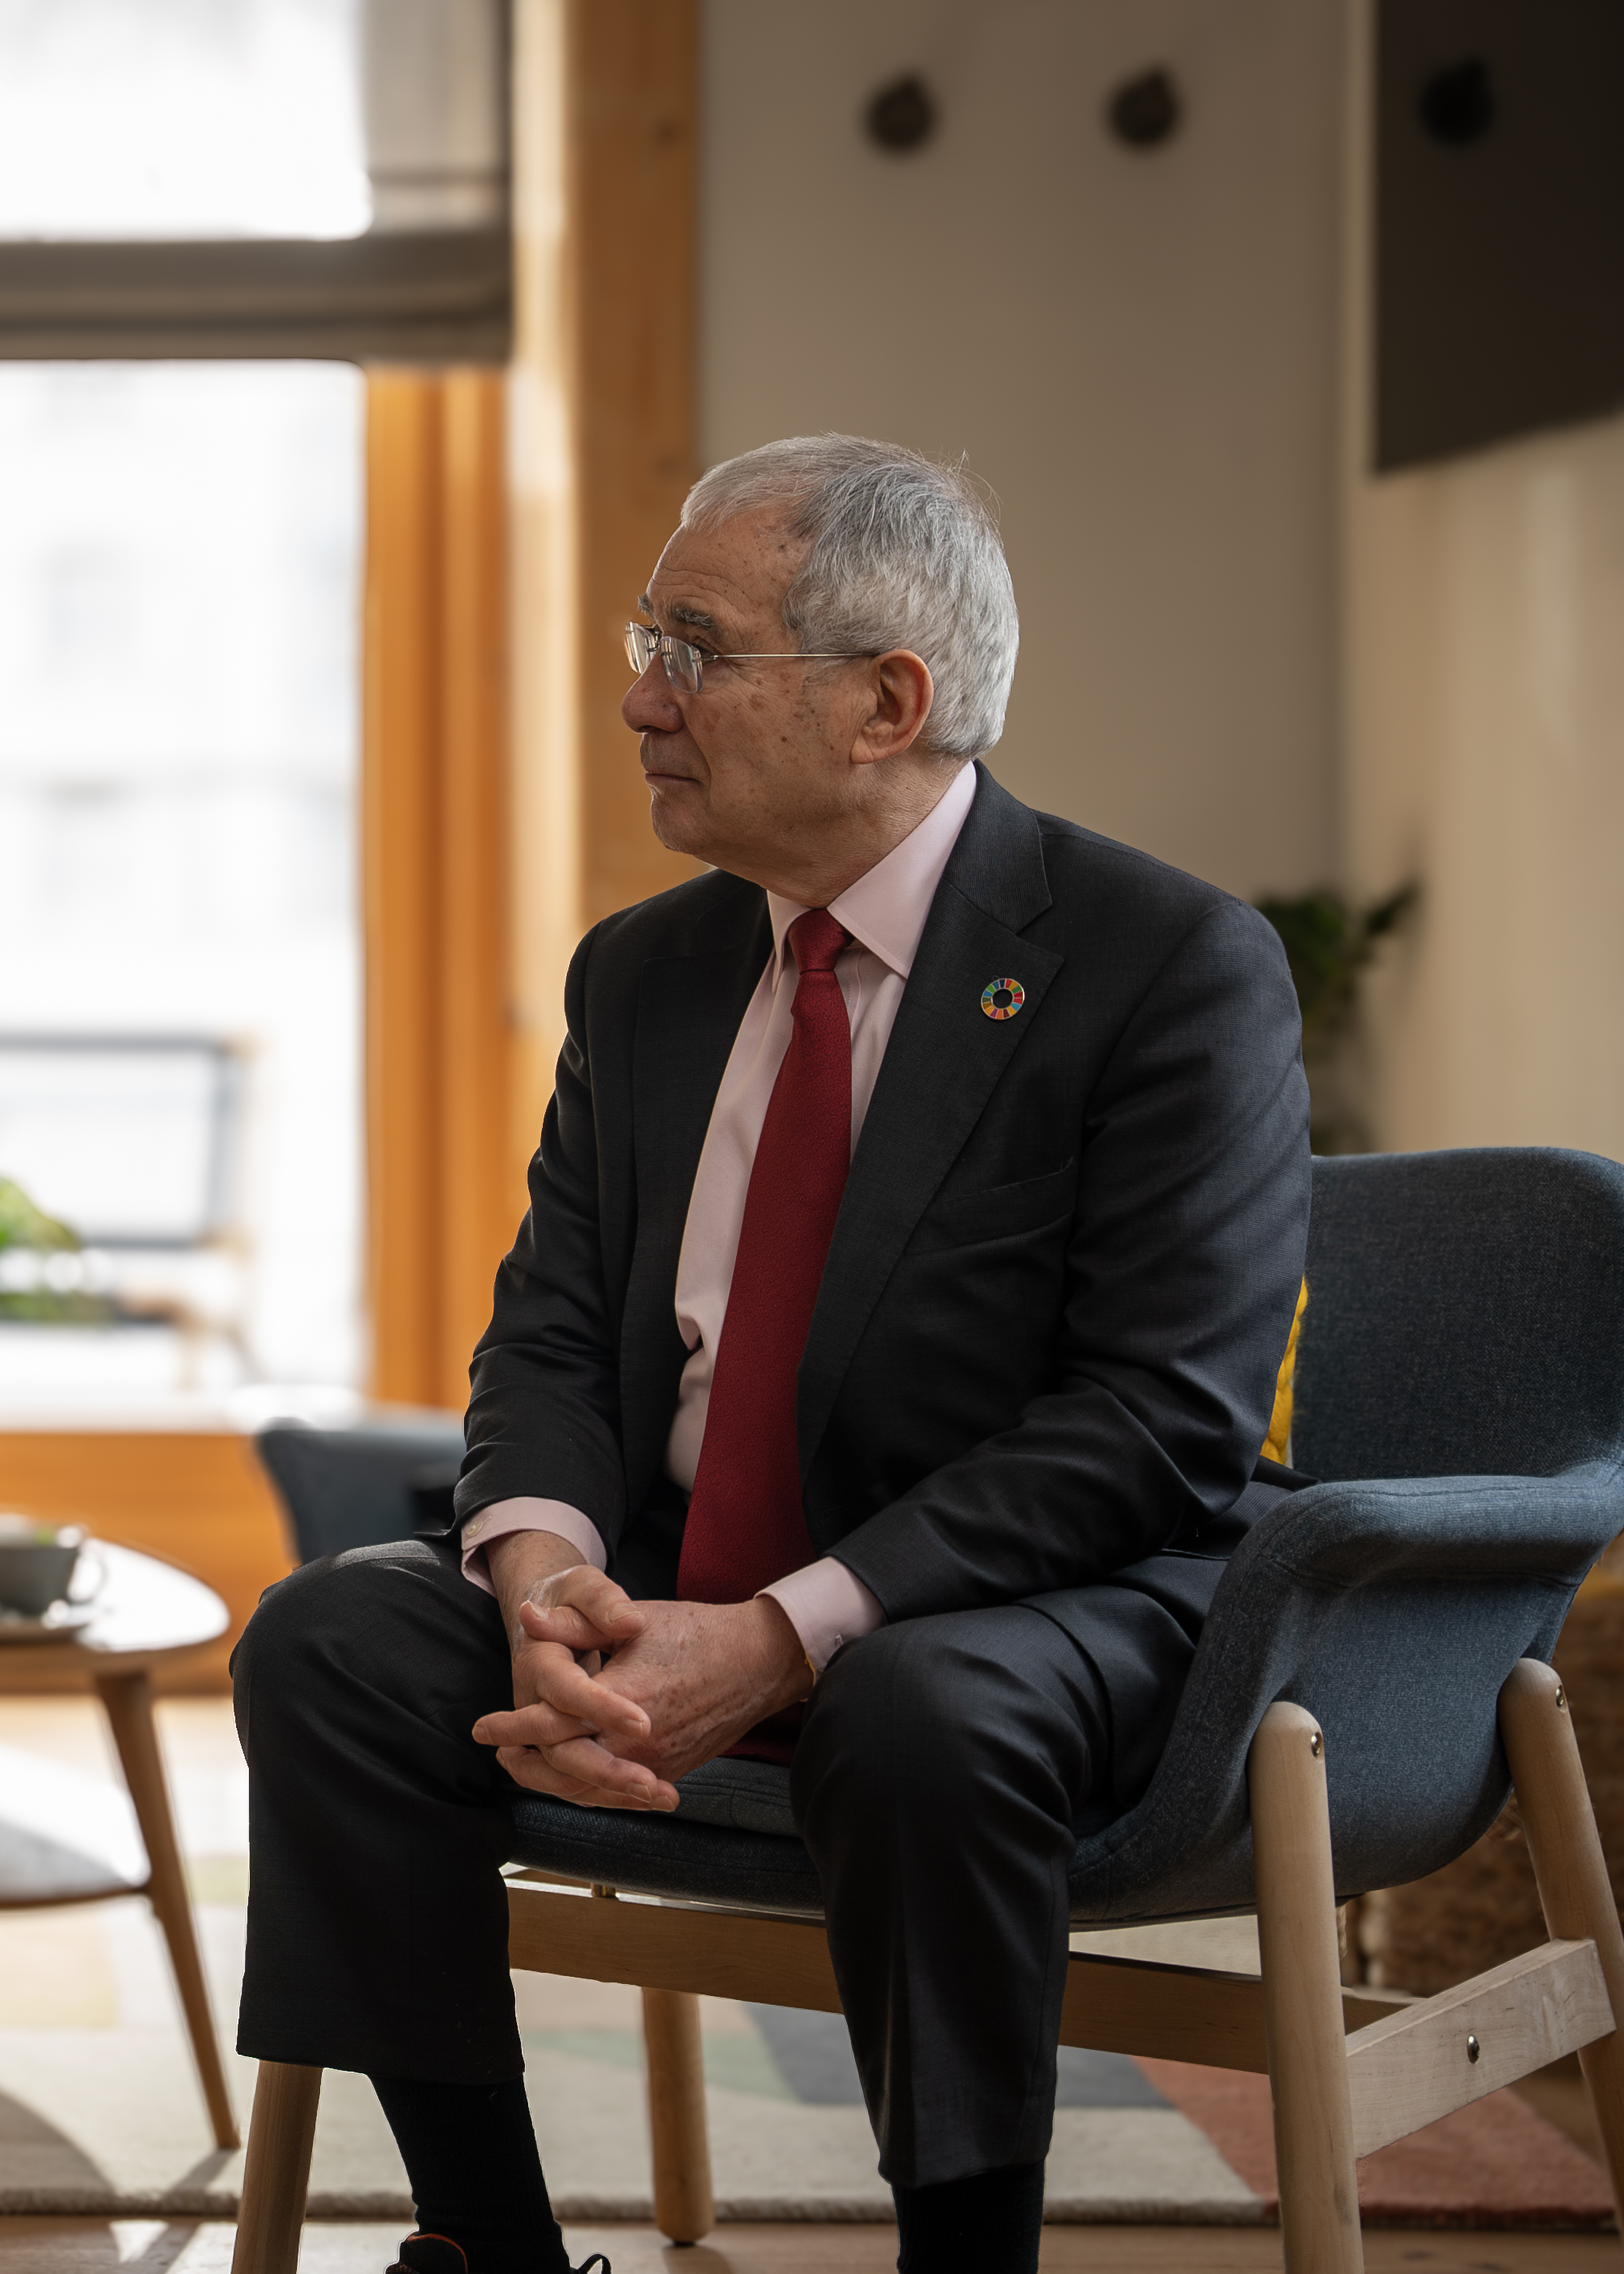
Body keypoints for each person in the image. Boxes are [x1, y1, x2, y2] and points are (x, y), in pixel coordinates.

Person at [231, 435, 1308, 2274]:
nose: (639, 699)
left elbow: (1157, 1424)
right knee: (331, 1641)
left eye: (694, 650)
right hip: (672, 1572)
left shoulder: (1161, 964)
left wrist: (784, 1632)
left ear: (885, 702)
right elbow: (549, 1333)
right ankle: (483, 2248)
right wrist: (544, 1580)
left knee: (913, 1706)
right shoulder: (642, 973)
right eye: (643, 641)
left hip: (1034, 1603)